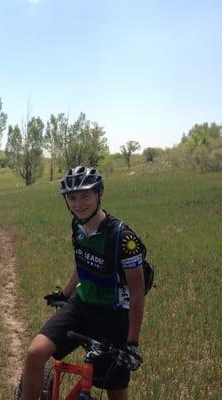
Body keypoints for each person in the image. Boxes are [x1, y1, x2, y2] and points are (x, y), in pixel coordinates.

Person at [21, 166, 146, 400]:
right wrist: (66, 293)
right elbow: (82, 264)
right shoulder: (77, 225)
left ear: (100, 193)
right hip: (81, 305)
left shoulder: (124, 238)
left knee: (115, 390)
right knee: (35, 353)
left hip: (112, 314)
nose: (78, 204)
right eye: (72, 198)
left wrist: (132, 342)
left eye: (85, 196)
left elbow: (137, 294)